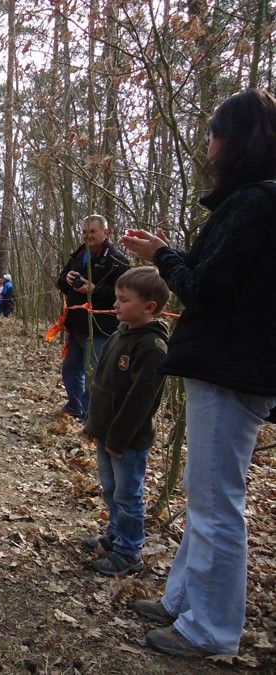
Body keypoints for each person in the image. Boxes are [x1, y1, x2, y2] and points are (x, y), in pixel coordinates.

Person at [120, 89, 276, 659]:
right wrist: (168, 253)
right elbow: (221, 280)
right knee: (205, 492)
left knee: (216, 501)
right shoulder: (254, 204)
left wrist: (162, 256)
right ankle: (183, 598)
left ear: (234, 141)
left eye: (213, 134)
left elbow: (202, 287)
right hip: (234, 364)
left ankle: (209, 629)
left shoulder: (254, 203)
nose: (207, 146)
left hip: (231, 369)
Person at [82, 267, 170, 577]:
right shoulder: (120, 334)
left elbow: (139, 402)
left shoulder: (152, 347)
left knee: (128, 494)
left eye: (124, 300)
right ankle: (116, 534)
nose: (115, 304)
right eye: (116, 298)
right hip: (106, 432)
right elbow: (102, 386)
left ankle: (129, 551)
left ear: (149, 306)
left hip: (128, 440)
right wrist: (93, 425)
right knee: (110, 489)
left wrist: (118, 440)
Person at [56, 215, 129, 420]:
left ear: (106, 232)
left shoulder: (117, 260)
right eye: (84, 232)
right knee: (70, 368)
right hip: (75, 324)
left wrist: (94, 290)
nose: (87, 235)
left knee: (96, 373)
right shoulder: (79, 254)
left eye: (92, 231)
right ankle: (75, 406)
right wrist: (66, 280)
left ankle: (90, 415)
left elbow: (125, 294)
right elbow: (60, 282)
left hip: (100, 328)